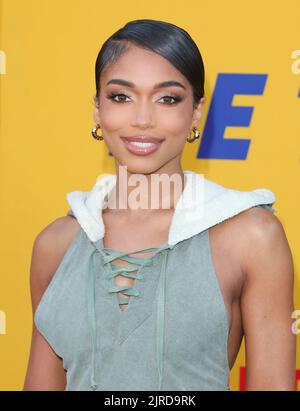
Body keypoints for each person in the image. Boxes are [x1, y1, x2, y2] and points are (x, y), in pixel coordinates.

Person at [23, 19, 296, 391]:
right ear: (97, 109)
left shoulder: (250, 236)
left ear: (197, 111)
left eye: (167, 98)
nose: (142, 119)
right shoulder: (56, 245)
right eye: (121, 96)